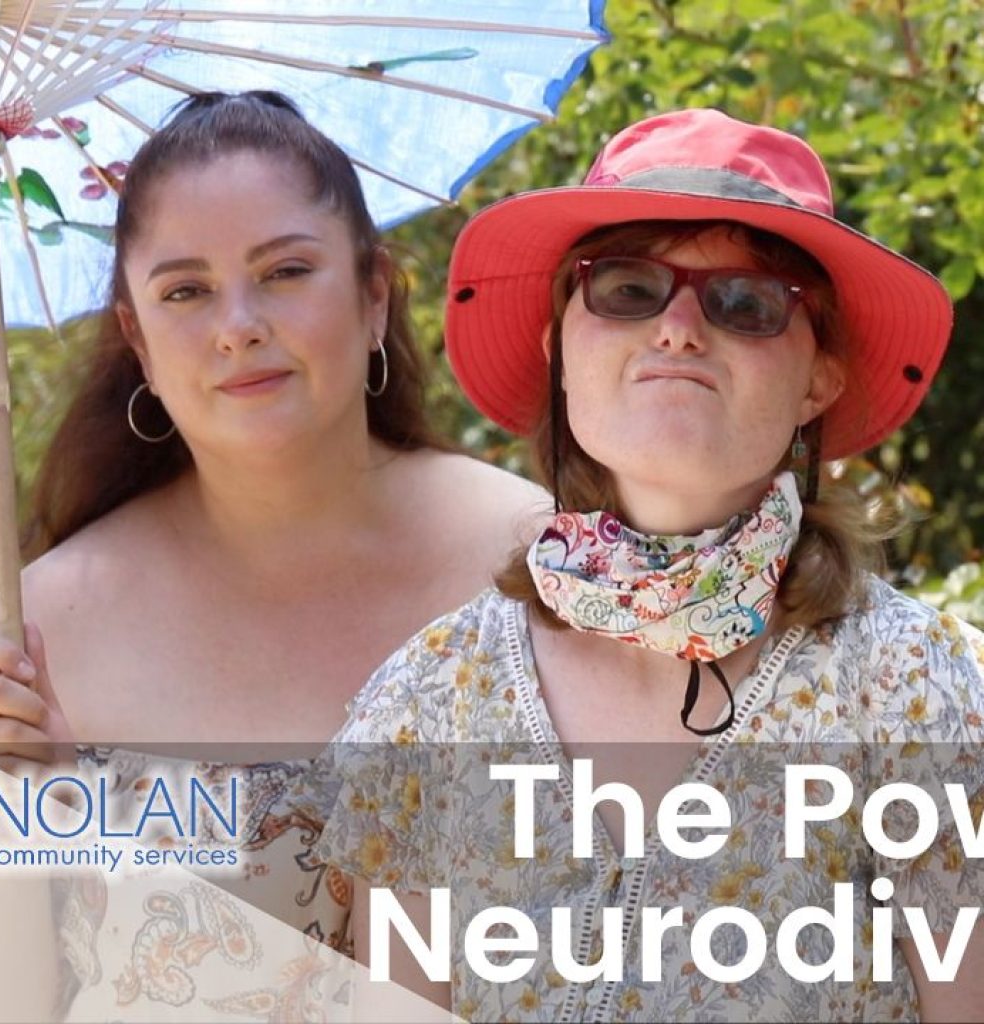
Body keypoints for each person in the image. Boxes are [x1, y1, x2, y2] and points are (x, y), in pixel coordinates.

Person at [318, 108, 984, 1022]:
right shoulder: (424, 704)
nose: (677, 328)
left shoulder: (916, 689)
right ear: (560, 348)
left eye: (746, 303)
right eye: (627, 288)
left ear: (817, 380)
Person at [0, 91, 544, 1021]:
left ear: (373, 294)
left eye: (284, 271)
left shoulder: (534, 568)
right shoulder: (41, 632)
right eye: (185, 291)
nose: (238, 324)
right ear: (137, 340)